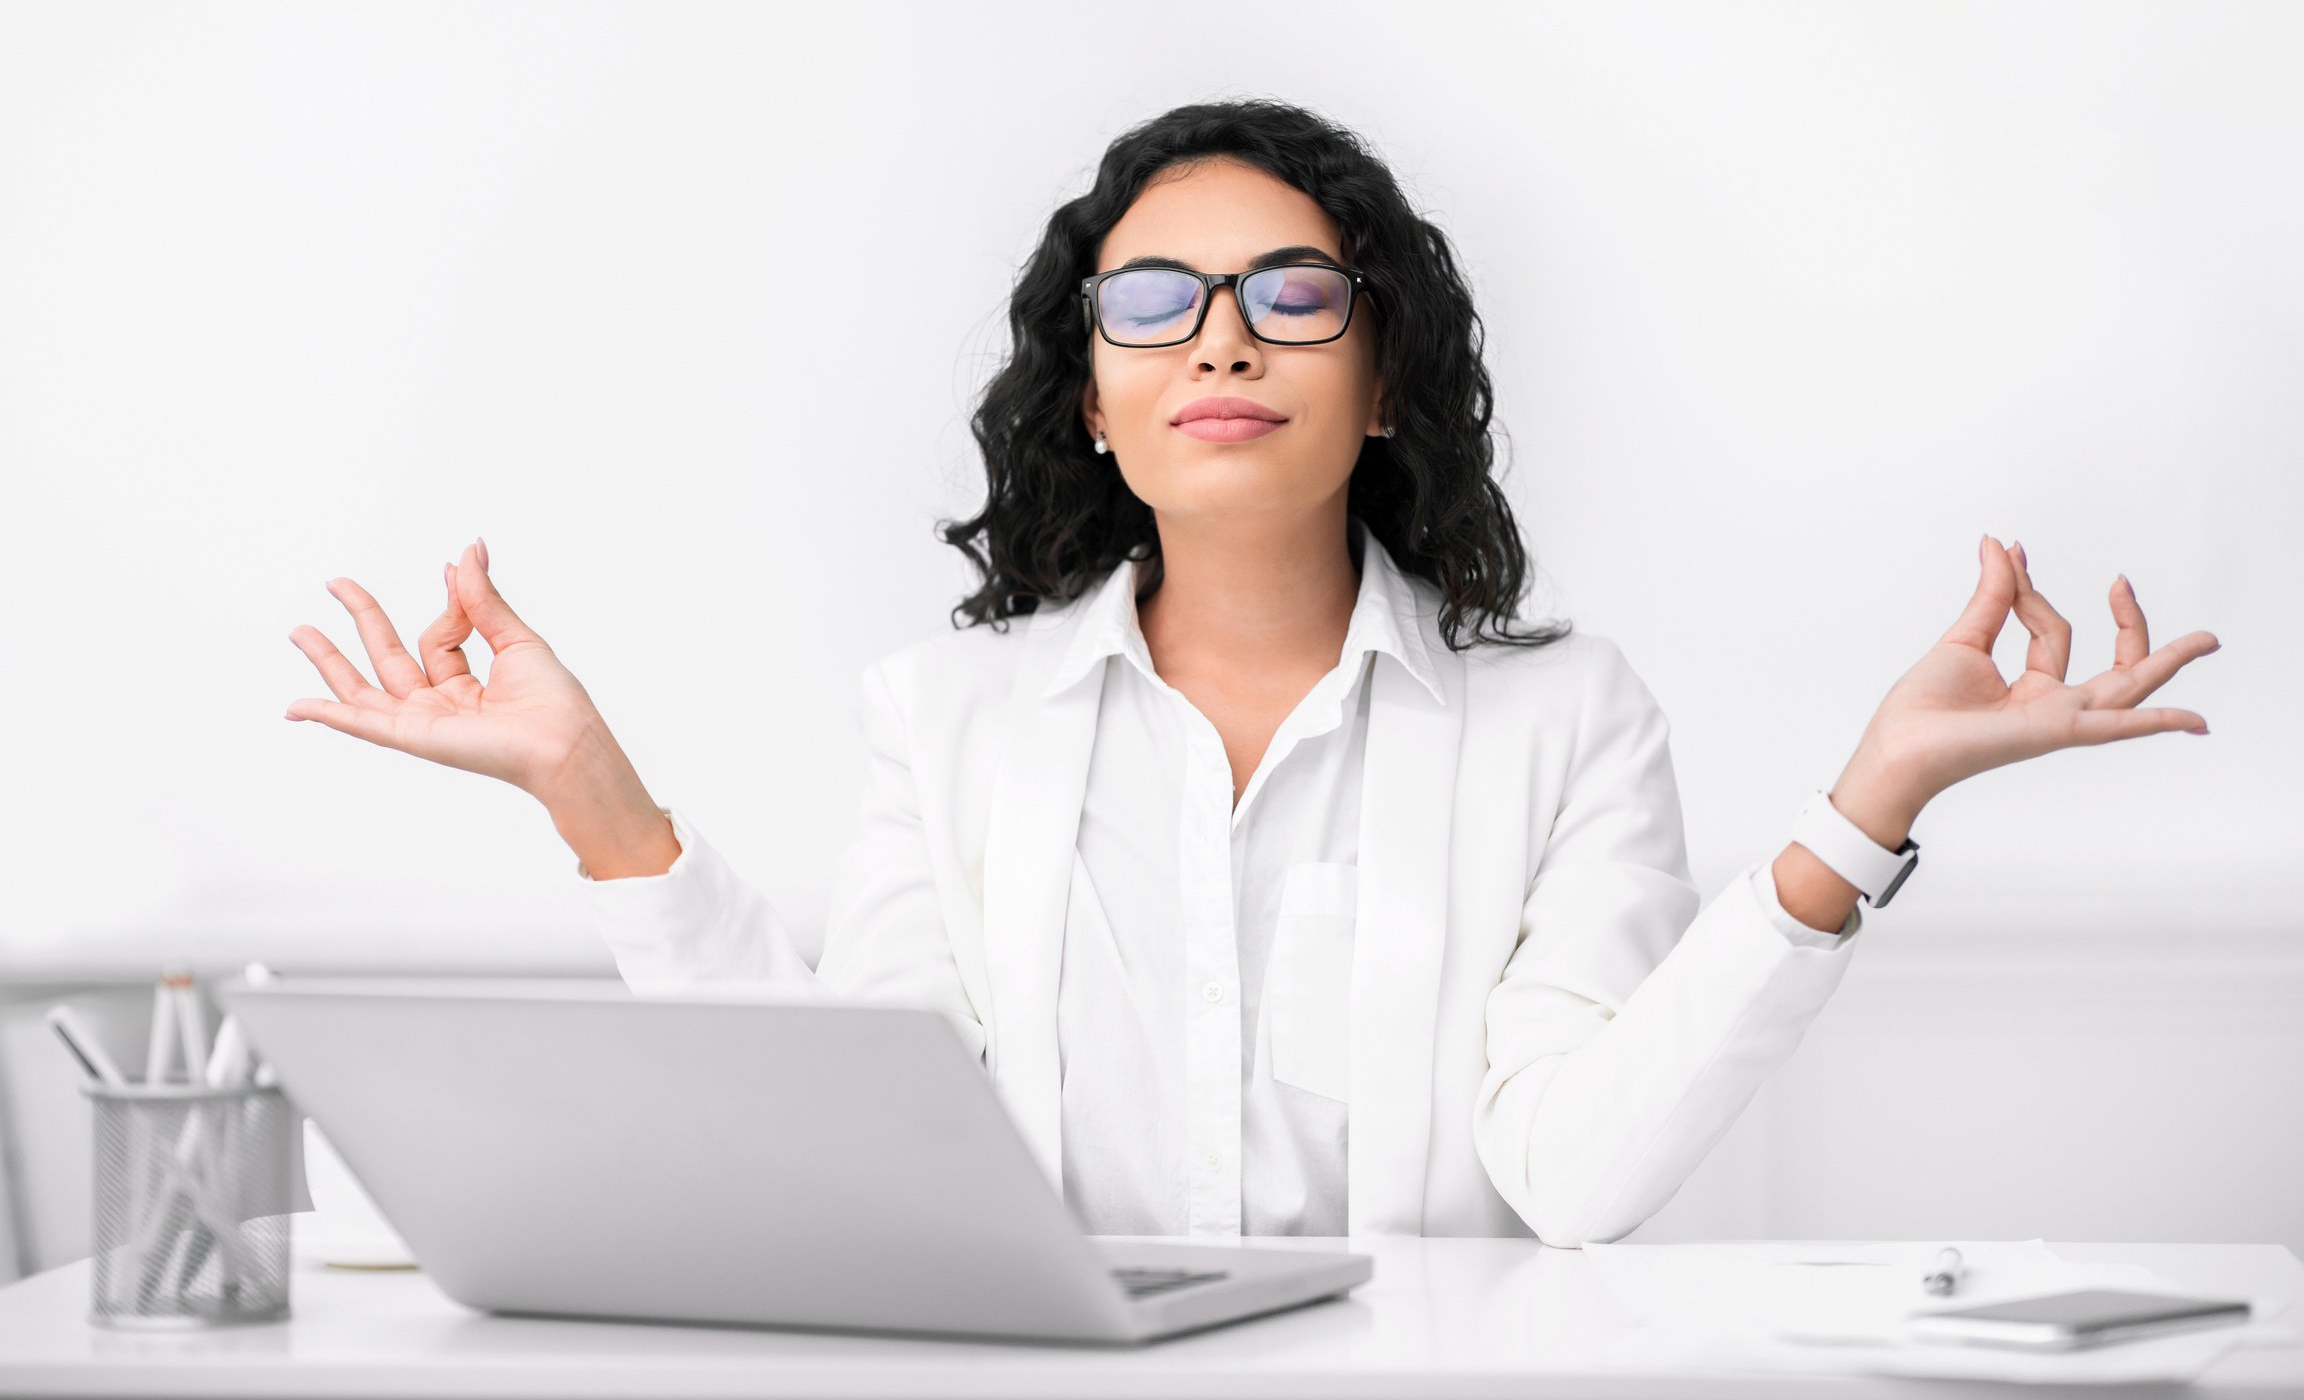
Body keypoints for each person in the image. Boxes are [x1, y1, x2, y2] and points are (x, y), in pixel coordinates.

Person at [283, 99, 2220, 1245]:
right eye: (1154, 302)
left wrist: (1860, 813)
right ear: (1097, 405)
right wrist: (592, 802)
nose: (1223, 340)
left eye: (1292, 295)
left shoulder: (1569, 719)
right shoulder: (942, 722)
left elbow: (1572, 1173)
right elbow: (881, 1148)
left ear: (1379, 383)